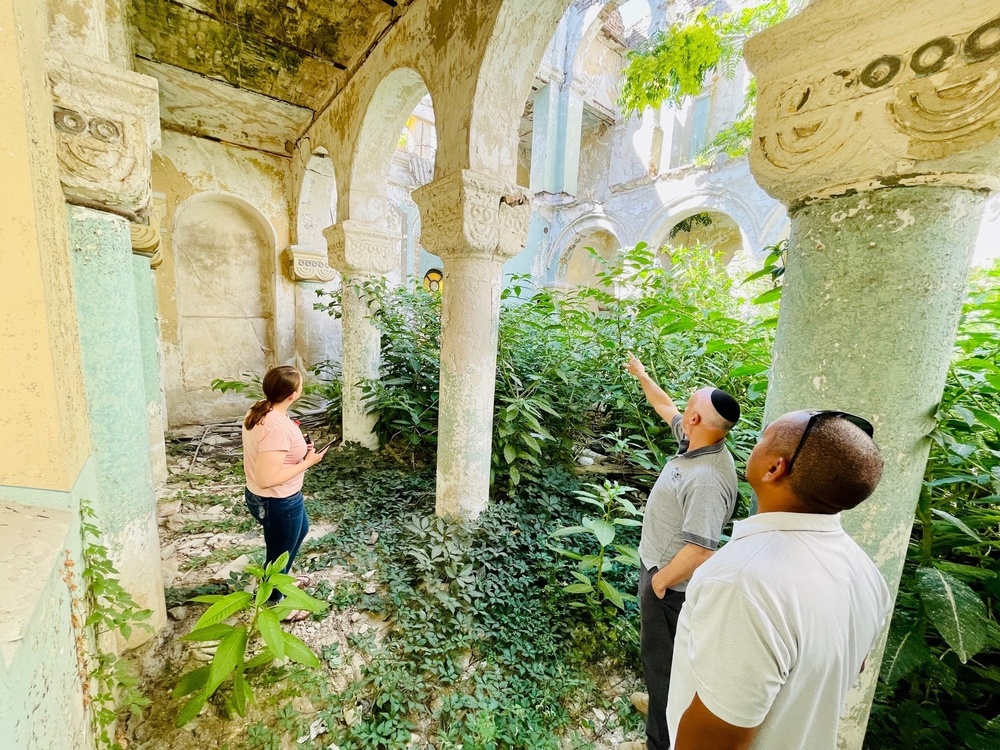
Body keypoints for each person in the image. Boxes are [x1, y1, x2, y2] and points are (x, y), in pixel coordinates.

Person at [667, 410, 892, 750]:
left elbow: (713, 739)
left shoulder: (743, 582)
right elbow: (852, 666)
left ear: (775, 469)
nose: (753, 445)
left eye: (762, 438)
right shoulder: (865, 572)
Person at [620, 354, 741, 750]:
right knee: (662, 663)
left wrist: (658, 582)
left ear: (697, 421)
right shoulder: (696, 440)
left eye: (690, 405)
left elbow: (700, 551)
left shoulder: (708, 479)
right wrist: (642, 374)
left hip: (669, 587)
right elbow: (664, 406)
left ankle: (661, 740)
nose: (683, 408)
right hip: (659, 570)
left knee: (663, 667)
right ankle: (660, 706)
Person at [242, 365, 329, 622]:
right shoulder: (276, 426)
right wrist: (308, 461)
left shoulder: (261, 408)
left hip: (277, 497)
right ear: (292, 394)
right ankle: (275, 603)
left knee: (300, 530)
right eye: (301, 384)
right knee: (278, 553)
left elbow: (273, 451)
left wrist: (298, 448)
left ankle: (283, 579)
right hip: (277, 500)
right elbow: (267, 478)